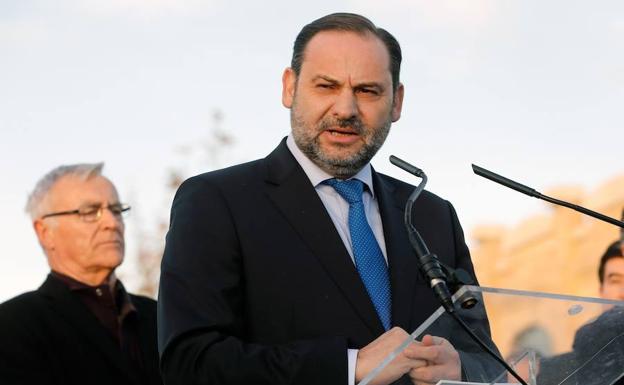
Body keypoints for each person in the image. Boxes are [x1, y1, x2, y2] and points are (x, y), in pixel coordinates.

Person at [158, 13, 493, 385]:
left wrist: (462, 368)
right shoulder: (217, 202)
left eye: (368, 91)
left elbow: (486, 358)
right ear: (290, 87)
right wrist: (349, 367)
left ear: (396, 102)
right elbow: (191, 364)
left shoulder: (433, 216)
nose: (346, 110)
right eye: (326, 86)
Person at [0, 163, 162, 385]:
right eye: (90, 212)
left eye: (116, 210)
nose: (111, 223)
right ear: (45, 232)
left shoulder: (161, 318)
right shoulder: (13, 326)